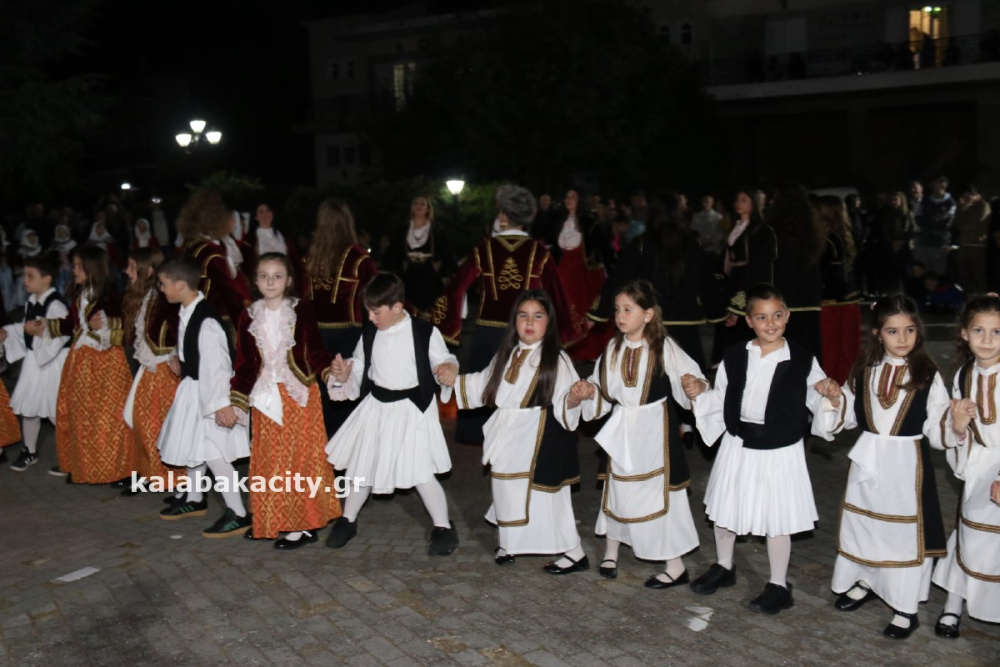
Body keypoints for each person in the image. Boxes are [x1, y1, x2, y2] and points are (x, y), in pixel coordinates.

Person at [687, 283, 842, 614]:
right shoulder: (734, 356)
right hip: (739, 444)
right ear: (749, 321)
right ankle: (724, 565)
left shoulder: (802, 359)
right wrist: (700, 391)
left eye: (776, 315)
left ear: (787, 316)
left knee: (777, 517)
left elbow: (816, 397)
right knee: (726, 508)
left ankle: (778, 584)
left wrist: (829, 396)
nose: (770, 323)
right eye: (761, 317)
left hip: (780, 449)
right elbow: (721, 396)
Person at [830, 294, 949, 639]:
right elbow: (849, 415)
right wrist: (834, 399)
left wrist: (954, 422)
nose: (902, 338)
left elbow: (938, 426)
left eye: (909, 330)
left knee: (902, 535)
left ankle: (905, 606)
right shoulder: (864, 369)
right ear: (878, 334)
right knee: (868, 526)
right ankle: (866, 580)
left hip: (906, 465)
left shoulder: (927, 374)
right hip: (868, 463)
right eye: (893, 331)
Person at [575, 280, 707, 587]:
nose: (620, 316)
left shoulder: (664, 347)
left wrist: (695, 386)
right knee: (617, 488)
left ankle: (675, 565)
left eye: (628, 310)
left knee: (657, 493)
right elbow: (601, 388)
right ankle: (612, 551)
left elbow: (692, 377)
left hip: (653, 429)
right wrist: (588, 392)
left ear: (648, 315)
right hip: (623, 427)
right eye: (617, 310)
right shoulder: (612, 348)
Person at [447, 290, 585, 571]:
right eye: (523, 316)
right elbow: (485, 383)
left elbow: (566, 399)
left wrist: (574, 398)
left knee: (546, 498)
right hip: (508, 432)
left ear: (549, 322)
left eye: (537, 316)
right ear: (515, 321)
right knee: (505, 488)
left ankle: (575, 552)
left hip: (540, 436)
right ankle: (508, 543)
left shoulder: (556, 359)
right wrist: (454, 380)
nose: (529, 322)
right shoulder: (508, 353)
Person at [325, 272, 460, 555]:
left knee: (420, 470)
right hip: (377, 407)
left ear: (397, 307)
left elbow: (444, 358)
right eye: (368, 311)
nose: (371, 317)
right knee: (362, 466)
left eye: (376, 312)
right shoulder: (370, 333)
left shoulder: (423, 332)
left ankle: (443, 527)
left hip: (412, 410)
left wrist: (449, 368)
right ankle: (348, 520)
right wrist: (346, 373)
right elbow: (360, 365)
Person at [440, 185, 584, 444]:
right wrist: (566, 327)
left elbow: (457, 286)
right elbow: (558, 293)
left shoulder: (484, 249)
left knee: (485, 383)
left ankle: (480, 435)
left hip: (488, 331)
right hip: (526, 333)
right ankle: (520, 436)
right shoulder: (539, 252)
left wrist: (447, 322)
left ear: (503, 216)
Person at [230, 253, 341, 549]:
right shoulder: (248, 316)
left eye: (277, 276)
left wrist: (330, 371)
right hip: (266, 397)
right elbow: (245, 363)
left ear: (289, 280)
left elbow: (315, 350)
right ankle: (271, 519)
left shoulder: (300, 311)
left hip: (299, 396)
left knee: (299, 462)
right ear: (255, 281)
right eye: (264, 276)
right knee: (269, 462)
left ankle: (303, 525)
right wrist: (237, 399)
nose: (270, 281)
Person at [155, 256, 252, 538]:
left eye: (163, 284)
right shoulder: (188, 311)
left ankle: (239, 513)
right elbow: (194, 352)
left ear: (180, 285)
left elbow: (218, 366)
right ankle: (195, 497)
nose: (161, 289)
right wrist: (182, 360)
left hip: (210, 395)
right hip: (194, 389)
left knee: (214, 453)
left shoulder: (206, 321)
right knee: (193, 444)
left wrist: (222, 405)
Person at [931, 294, 1000, 637]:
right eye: (978, 330)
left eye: (996, 332)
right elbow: (956, 429)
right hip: (977, 466)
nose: (987, 340)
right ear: (964, 333)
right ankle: (953, 603)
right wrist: (958, 426)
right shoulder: (963, 375)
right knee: (969, 533)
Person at [52, 245, 137, 485]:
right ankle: (85, 467)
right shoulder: (80, 296)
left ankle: (119, 469)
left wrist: (110, 323)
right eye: (74, 265)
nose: (74, 270)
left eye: (79, 266)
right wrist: (45, 327)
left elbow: (130, 326)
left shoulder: (111, 297)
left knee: (109, 417)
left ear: (93, 268)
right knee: (81, 416)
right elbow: (72, 324)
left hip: (106, 362)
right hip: (80, 362)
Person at [300, 198, 378, 437]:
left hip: (316, 335)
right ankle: (348, 446)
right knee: (348, 391)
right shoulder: (358, 257)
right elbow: (377, 293)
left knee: (322, 391)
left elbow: (302, 298)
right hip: (348, 334)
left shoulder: (310, 257)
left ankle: (323, 446)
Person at [0, 254, 69, 471]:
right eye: (25, 276)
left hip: (50, 364)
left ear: (47, 279)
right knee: (29, 409)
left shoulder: (55, 305)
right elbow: (25, 328)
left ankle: (71, 455)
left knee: (54, 411)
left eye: (30, 276)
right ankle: (29, 451)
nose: (25, 281)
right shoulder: (32, 302)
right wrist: (7, 333)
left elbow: (62, 334)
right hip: (35, 364)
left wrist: (40, 336)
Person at [121, 247, 181, 496]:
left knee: (158, 425)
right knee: (142, 422)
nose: (127, 271)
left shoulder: (162, 298)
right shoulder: (145, 297)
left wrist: (177, 353)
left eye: (132, 267)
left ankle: (172, 480)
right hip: (150, 368)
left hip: (164, 368)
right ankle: (151, 474)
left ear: (147, 271)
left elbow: (180, 325)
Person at [710, 188, 777, 366]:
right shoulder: (737, 227)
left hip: (749, 285)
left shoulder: (761, 231)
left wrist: (738, 303)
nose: (738, 203)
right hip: (733, 282)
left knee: (743, 327)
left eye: (744, 200)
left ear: (754, 203)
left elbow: (758, 267)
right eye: (737, 200)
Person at [176, 192, 251, 339]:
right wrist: (247, 320)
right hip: (217, 318)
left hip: (197, 312)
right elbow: (229, 292)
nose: (232, 221)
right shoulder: (211, 253)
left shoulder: (192, 244)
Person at [768, 184, 825, 361]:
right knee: (808, 349)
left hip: (784, 296)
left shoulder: (773, 230)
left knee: (784, 351)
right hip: (809, 297)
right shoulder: (812, 229)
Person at [381, 196, 456, 320]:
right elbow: (394, 250)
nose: (419, 206)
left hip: (429, 274)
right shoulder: (404, 228)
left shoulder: (436, 228)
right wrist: (385, 269)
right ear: (411, 208)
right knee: (408, 307)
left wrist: (452, 272)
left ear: (428, 209)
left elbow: (445, 250)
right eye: (415, 203)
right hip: (409, 274)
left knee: (430, 309)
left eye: (422, 204)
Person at [816, 196, 861, 385]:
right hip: (847, 298)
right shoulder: (842, 236)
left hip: (833, 302)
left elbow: (825, 273)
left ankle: (834, 385)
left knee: (832, 347)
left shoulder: (829, 239)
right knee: (845, 346)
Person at [953, 185, 991, 295]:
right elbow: (956, 223)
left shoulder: (983, 205)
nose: (966, 199)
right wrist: (962, 210)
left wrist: (966, 213)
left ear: (976, 195)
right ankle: (969, 298)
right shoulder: (964, 207)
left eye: (968, 196)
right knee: (965, 275)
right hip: (964, 244)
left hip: (978, 245)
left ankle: (984, 299)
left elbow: (974, 223)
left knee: (978, 275)